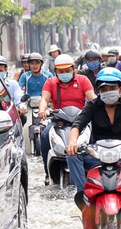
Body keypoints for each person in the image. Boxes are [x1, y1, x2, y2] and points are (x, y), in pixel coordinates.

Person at [66, 67, 121, 194]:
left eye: (112, 88)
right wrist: (72, 143)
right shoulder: (92, 105)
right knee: (71, 156)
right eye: (104, 89)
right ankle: (82, 194)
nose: (108, 92)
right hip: (96, 156)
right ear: (99, 91)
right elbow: (77, 125)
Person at [38, 54, 96, 184]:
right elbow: (44, 99)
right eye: (61, 71)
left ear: (73, 69)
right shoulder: (51, 82)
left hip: (81, 119)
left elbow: (93, 99)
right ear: (56, 71)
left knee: (94, 135)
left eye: (67, 70)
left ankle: (95, 170)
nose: (64, 73)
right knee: (45, 135)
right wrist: (42, 110)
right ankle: (48, 173)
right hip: (58, 119)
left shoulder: (83, 80)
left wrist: (98, 110)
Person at [0, 55, 28, 124]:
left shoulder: (13, 84)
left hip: (10, 118)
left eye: (0, 71)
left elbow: (19, 99)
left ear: (5, 70)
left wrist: (22, 107)